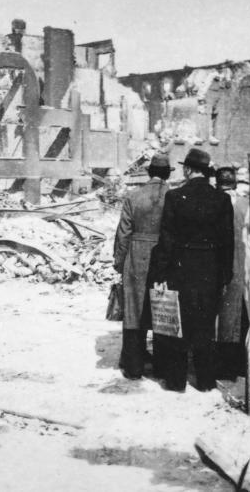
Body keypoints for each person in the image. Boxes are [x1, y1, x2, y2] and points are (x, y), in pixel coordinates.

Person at [152, 148, 234, 392]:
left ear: (187, 169)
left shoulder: (175, 197)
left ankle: (177, 382)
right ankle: (206, 382)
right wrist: (225, 275)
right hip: (210, 269)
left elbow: (166, 239)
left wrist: (161, 273)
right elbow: (227, 242)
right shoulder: (222, 199)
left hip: (181, 267)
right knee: (205, 325)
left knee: (179, 325)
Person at [112, 153, 172, 379]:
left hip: (136, 255)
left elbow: (123, 233)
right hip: (164, 257)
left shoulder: (133, 196)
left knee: (134, 310)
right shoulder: (174, 196)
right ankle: (162, 367)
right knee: (163, 309)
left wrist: (119, 262)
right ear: (167, 174)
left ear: (149, 172)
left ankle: (133, 367)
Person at [214, 166, 250, 380]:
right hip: (242, 266)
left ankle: (220, 365)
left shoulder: (212, 204)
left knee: (218, 317)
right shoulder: (245, 205)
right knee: (239, 315)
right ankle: (239, 365)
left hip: (216, 266)